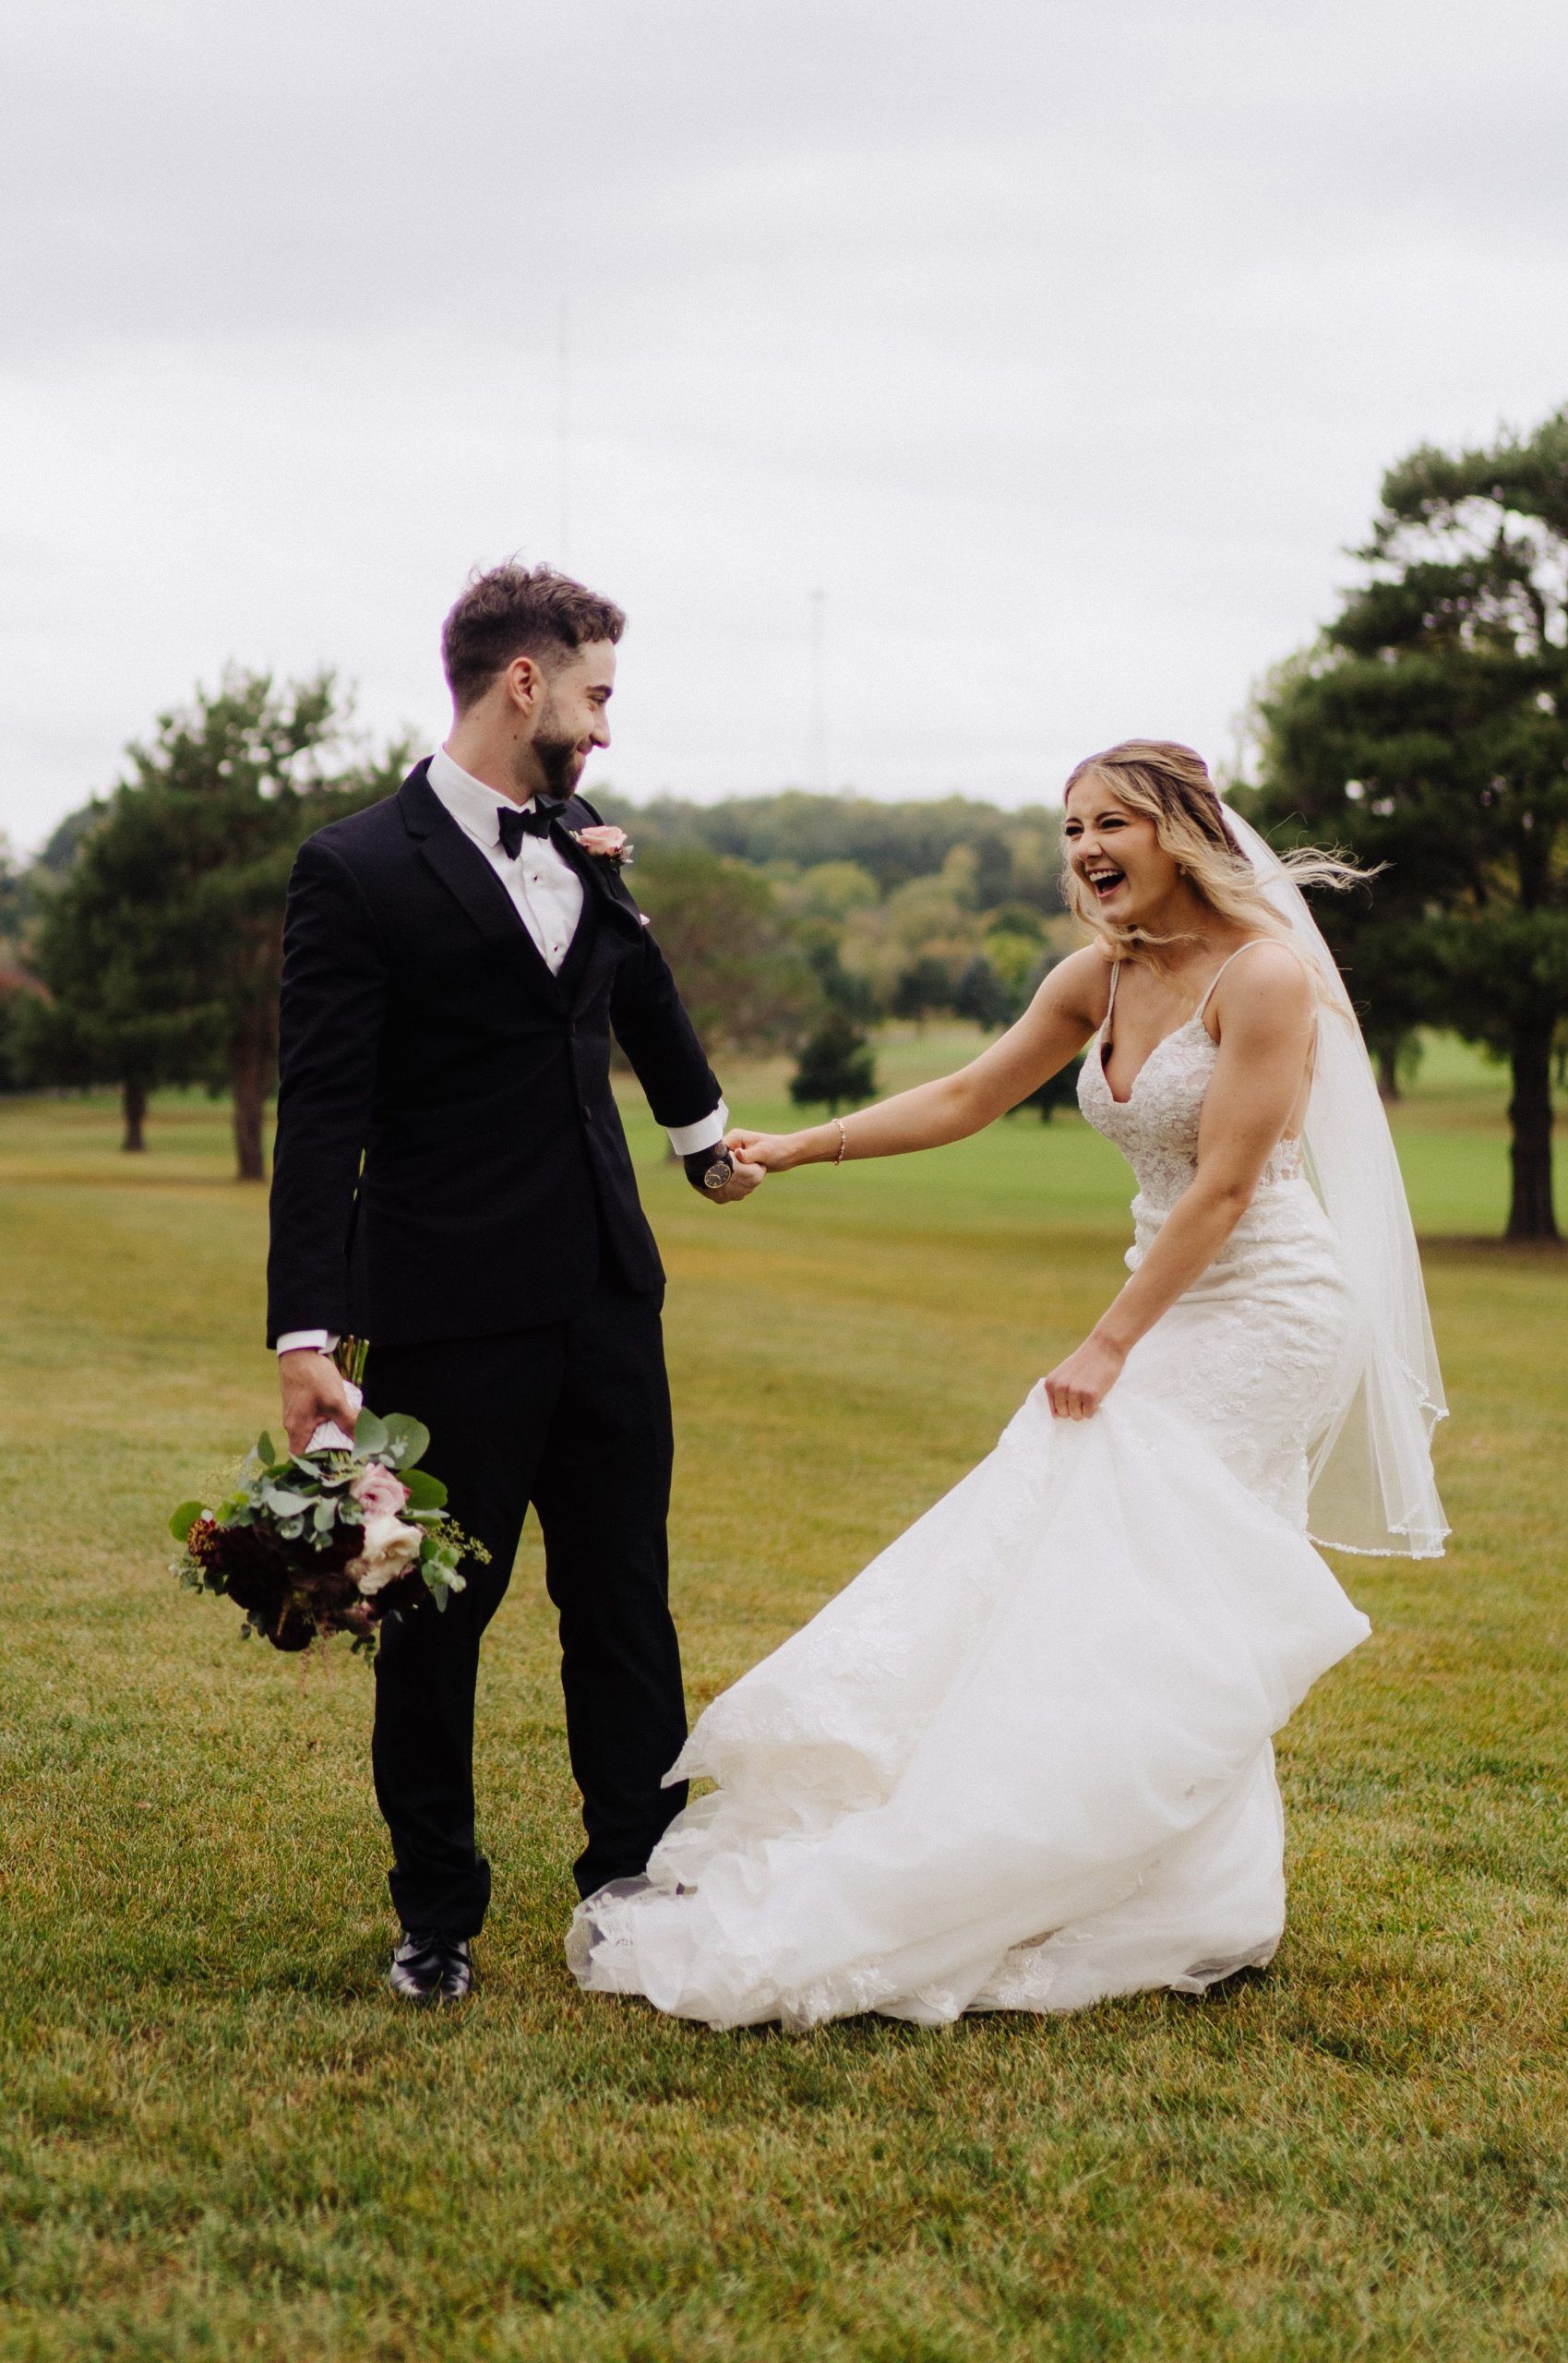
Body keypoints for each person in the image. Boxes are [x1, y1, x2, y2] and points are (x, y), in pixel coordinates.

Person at [568, 739, 1446, 2028]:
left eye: (1113, 824)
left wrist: (1108, 1343)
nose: (1086, 850)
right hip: (1169, 1288)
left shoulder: (1264, 979)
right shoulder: (1098, 975)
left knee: (1147, 1571)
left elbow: (1222, 1189)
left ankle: (1145, 1877)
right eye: (1070, 828)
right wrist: (804, 1145)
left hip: (1265, 1313)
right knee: (1153, 1586)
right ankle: (1189, 1891)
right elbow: (975, 1092)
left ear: (1184, 830)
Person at [267, 562, 762, 2004]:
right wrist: (307, 1335)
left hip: (609, 1293)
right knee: (435, 1627)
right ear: (524, 683)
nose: (607, 726)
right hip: (450, 1308)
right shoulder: (353, 868)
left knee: (625, 1604)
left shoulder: (587, 851)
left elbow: (636, 1003)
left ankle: (630, 1885)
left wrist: (706, 1142)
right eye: (597, 693)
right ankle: (437, 1914)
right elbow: (324, 1116)